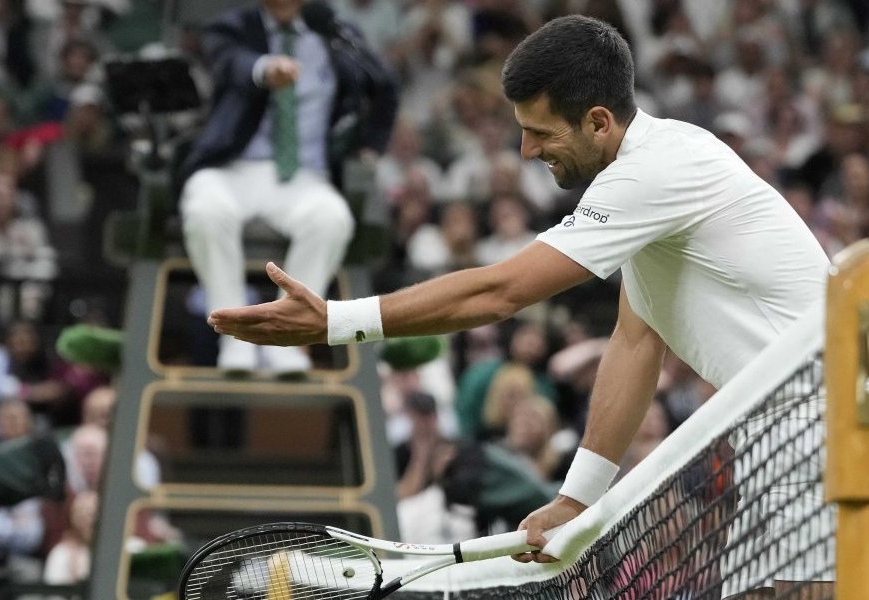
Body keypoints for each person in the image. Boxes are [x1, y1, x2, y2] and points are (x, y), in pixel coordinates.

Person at [208, 15, 830, 597]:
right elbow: (636, 341)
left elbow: (499, 292)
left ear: (597, 122)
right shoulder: (654, 175)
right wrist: (577, 498)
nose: (528, 152)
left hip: (824, 419)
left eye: (540, 132)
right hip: (787, 422)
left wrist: (335, 323)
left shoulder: (657, 172)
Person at [177, 0, 398, 375]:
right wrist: (265, 69)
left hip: (304, 176)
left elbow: (384, 87)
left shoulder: (335, 31)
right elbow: (228, 61)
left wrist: (369, 147)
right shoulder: (231, 25)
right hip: (234, 167)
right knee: (204, 207)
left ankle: (286, 337)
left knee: (332, 219)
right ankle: (236, 338)